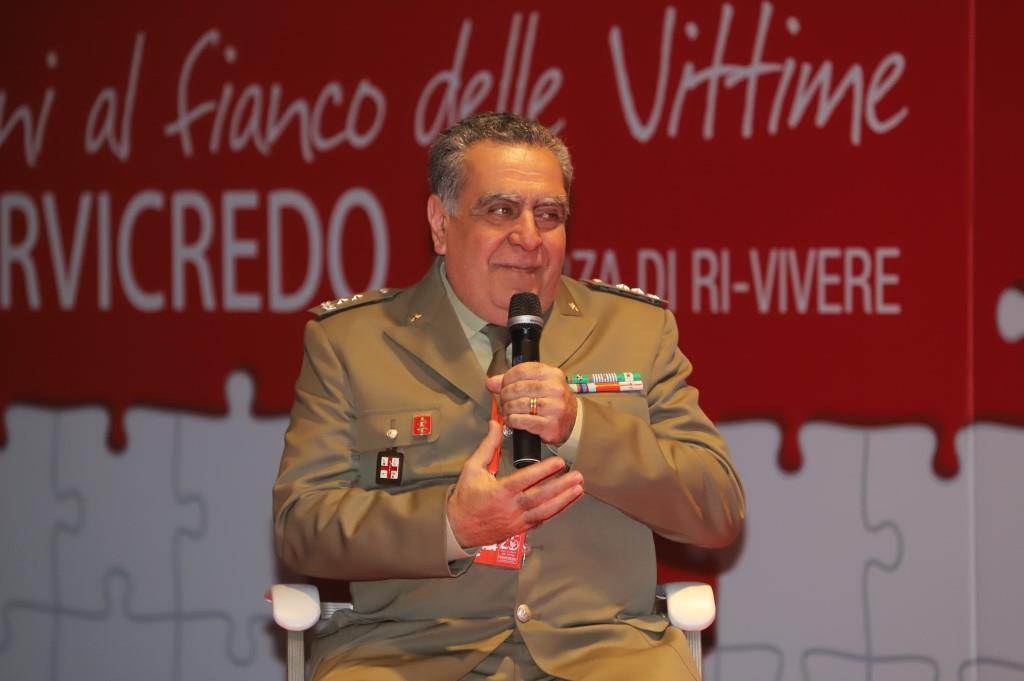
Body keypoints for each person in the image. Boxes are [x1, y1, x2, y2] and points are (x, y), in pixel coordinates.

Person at [273, 112, 745, 680]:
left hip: (604, 652)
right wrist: (450, 525)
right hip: (407, 653)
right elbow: (301, 525)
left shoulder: (636, 331)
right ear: (440, 223)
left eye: (549, 215)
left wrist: (582, 428)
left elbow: (716, 510)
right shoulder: (353, 342)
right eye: (500, 211)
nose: (529, 238)